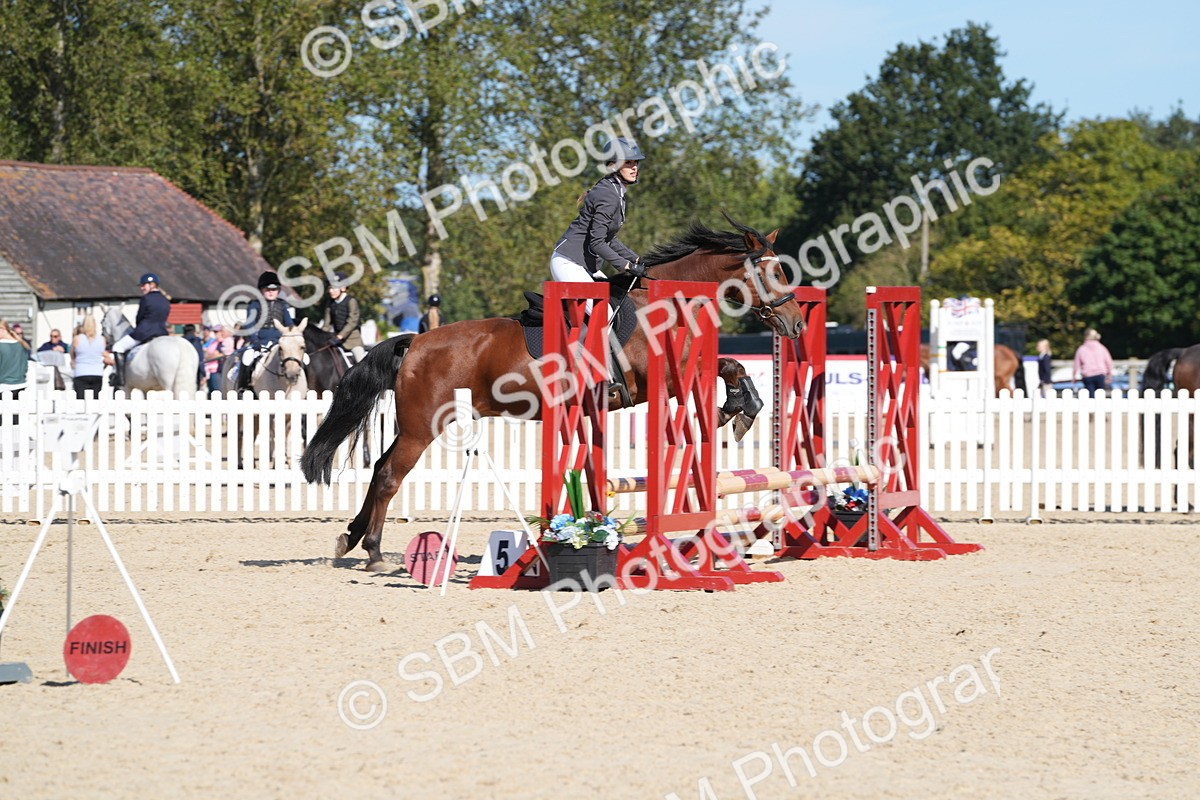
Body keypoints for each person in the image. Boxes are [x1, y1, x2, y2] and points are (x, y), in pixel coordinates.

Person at [551, 137, 646, 284]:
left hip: (585, 266)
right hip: (568, 263)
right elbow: (597, 243)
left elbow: (609, 239)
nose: (634, 168)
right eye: (628, 163)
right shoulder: (608, 194)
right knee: (603, 308)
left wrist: (637, 259)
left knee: (613, 304)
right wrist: (626, 266)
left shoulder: (616, 192)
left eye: (635, 163)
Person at [234, 270, 295, 391]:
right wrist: (254, 340)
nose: (271, 292)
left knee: (302, 359)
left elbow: (289, 324)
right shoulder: (254, 305)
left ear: (278, 290)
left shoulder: (282, 305)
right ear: (262, 290)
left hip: (279, 343)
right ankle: (243, 387)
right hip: (260, 342)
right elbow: (249, 325)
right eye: (268, 290)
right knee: (247, 357)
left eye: (274, 289)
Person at [109, 272, 171, 388]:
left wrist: (138, 328)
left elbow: (140, 317)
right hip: (162, 333)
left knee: (117, 347)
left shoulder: (146, 299)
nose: (142, 288)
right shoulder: (165, 300)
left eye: (144, 285)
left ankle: (120, 379)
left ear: (152, 285)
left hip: (144, 332)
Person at [321, 271, 365, 362]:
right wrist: (321, 337)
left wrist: (340, 336)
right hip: (336, 341)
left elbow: (352, 322)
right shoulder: (330, 303)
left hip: (353, 341)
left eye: (333, 288)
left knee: (361, 362)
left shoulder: (351, 301)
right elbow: (326, 324)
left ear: (343, 288)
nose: (330, 291)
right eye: (329, 288)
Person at [71, 315, 106, 399]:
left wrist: (73, 362)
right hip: (97, 372)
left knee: (80, 401)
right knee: (95, 400)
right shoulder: (102, 339)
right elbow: (102, 354)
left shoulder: (77, 339)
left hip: (81, 372)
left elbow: (72, 354)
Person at [1073, 328, 1113, 398]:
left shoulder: (1082, 349)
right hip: (1100, 374)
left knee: (1090, 395)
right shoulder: (1102, 348)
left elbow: (1076, 363)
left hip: (1087, 375)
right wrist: (1109, 374)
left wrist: (1074, 375)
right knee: (1100, 395)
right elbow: (1108, 362)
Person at [0, 320, 31, 397]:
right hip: (21, 387)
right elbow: (25, 367)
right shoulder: (21, 345)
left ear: (2, 330)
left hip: (4, 388)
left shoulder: (1, 346)